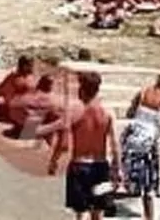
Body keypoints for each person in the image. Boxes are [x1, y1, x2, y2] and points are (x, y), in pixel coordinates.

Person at [49, 71, 120, 220]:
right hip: (100, 167)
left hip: (79, 166)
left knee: (81, 213)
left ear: (82, 88)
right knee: (98, 213)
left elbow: (64, 145)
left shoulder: (74, 112)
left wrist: (53, 161)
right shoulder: (108, 112)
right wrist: (116, 169)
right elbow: (115, 144)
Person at [120, 69, 160, 220]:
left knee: (127, 180)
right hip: (147, 145)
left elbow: (129, 113)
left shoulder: (142, 92)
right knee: (147, 187)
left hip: (131, 141)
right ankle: (150, 217)